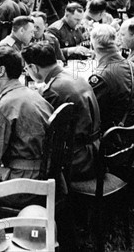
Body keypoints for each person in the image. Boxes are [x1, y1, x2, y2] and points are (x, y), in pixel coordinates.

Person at [0, 46, 54, 206]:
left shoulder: (6, 105)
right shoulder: (32, 95)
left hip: (24, 184)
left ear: (1, 71)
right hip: (47, 176)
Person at [22, 42, 100, 180]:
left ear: (33, 67)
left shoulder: (53, 90)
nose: (27, 72)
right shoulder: (74, 77)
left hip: (76, 160)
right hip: (94, 151)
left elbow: (40, 133)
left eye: (27, 68)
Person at [88, 24, 134, 132]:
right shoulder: (133, 65)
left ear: (93, 46)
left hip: (113, 137)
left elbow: (91, 113)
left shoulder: (100, 76)